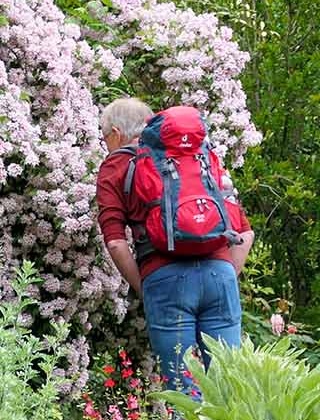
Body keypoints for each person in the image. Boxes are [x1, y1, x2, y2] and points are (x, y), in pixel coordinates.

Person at [96, 97, 255, 390]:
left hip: (165, 280)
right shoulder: (196, 157)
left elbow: (116, 243)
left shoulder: (115, 166)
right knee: (230, 388)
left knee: (183, 390)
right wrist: (226, 276)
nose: (105, 144)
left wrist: (145, 288)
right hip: (219, 274)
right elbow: (245, 234)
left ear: (116, 134)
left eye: (104, 137)